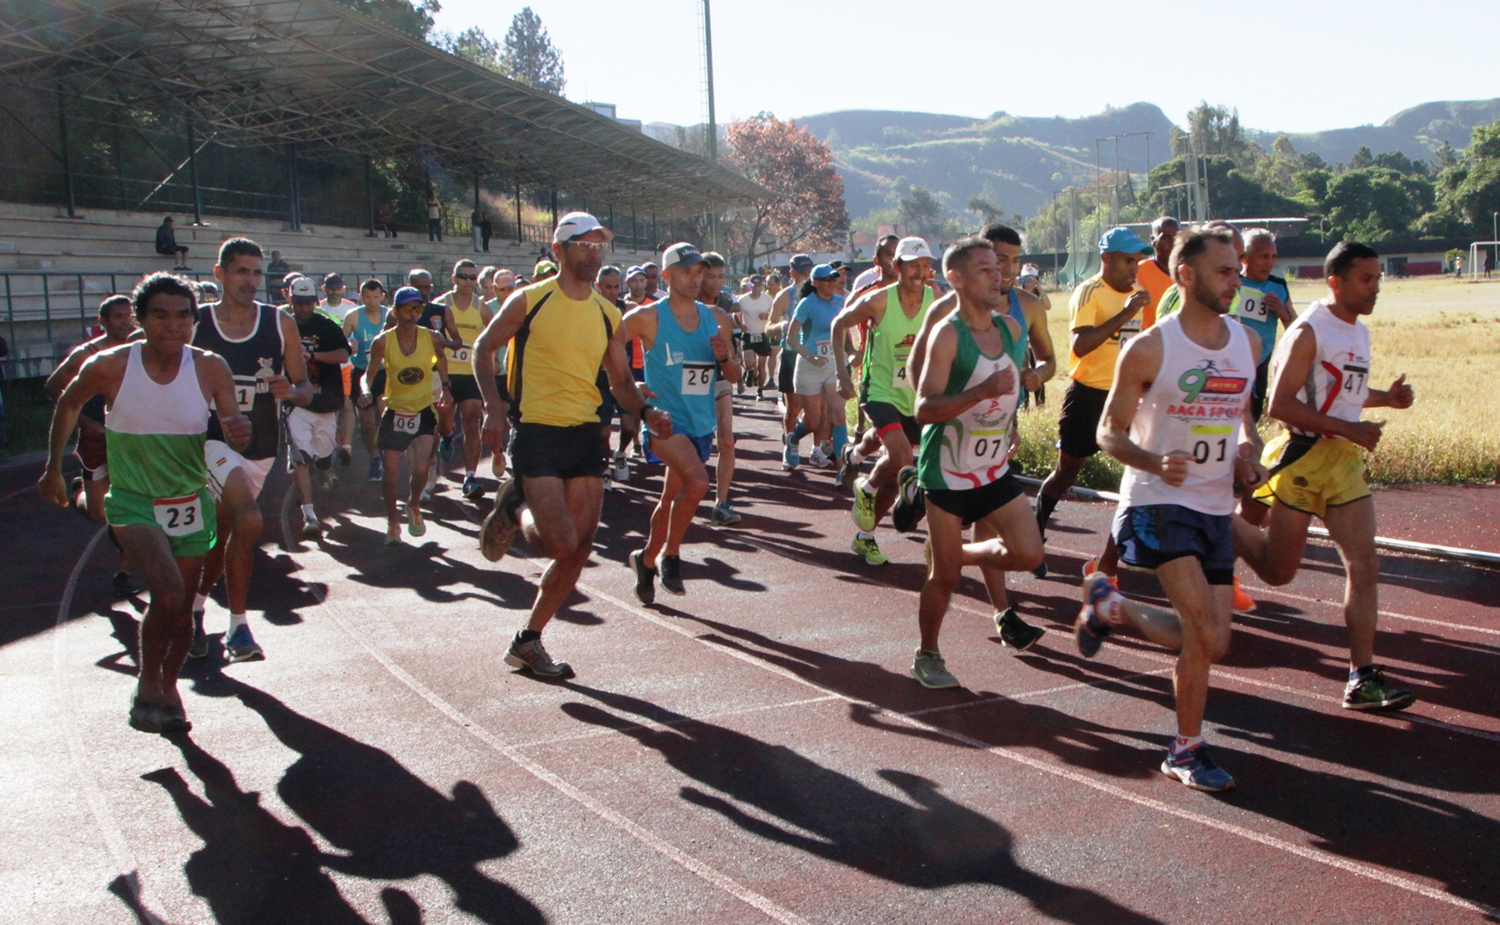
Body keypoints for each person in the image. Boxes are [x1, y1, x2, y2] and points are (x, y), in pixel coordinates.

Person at [1083, 226, 1265, 792]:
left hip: (1213, 507)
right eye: (1224, 271)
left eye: (1237, 270)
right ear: (1186, 275)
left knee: (1216, 641)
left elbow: (1244, 422)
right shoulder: (1152, 347)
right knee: (1202, 629)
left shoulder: (1246, 343)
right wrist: (1155, 461)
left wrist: (1247, 456)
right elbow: (1108, 432)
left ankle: (1114, 608)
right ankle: (1186, 751)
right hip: (1158, 501)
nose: (1235, 280)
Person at [39, 273, 250, 733]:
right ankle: (147, 679)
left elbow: (233, 416)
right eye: (160, 316)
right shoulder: (112, 364)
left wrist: (239, 430)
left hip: (190, 501)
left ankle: (168, 685)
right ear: (140, 320)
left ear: (194, 321)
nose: (172, 326)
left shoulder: (210, 366)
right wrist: (54, 467)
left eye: (182, 316)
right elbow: (69, 404)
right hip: (134, 501)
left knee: (183, 607)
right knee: (170, 593)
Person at [474, 212, 669, 678]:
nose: (593, 251)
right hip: (538, 430)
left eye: (599, 245)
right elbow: (483, 348)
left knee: (579, 548)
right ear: (559, 251)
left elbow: (621, 380)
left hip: (586, 432)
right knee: (559, 542)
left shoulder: (608, 313)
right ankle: (513, 506)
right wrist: (494, 409)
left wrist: (643, 411)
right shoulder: (529, 301)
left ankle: (528, 641)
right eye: (583, 244)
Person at [1233, 241, 1417, 713]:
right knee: (1278, 572)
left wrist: (1385, 400)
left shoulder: (1357, 332)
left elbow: (1339, 393)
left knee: (1365, 563)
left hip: (1341, 462)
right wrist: (1350, 427)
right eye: (1366, 279)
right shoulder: (1309, 330)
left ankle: (1361, 676)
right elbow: (1281, 404)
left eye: (1378, 278)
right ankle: (1216, 520)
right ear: (1336, 282)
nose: (1376, 288)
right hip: (1303, 456)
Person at [908, 238, 1044, 689]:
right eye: (985, 269)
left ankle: (958, 554)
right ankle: (928, 652)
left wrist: (1014, 412)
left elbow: (1015, 386)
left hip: (991, 469)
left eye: (998, 268)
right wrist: (982, 393)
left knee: (1029, 553)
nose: (997, 276)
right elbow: (924, 409)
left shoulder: (1009, 329)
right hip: (946, 470)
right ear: (958, 279)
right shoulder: (949, 334)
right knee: (943, 580)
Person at [190, 238, 312, 664]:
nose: (250, 280)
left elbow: (305, 386)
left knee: (224, 531)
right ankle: (239, 627)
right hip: (209, 440)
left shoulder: (279, 323)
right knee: (248, 519)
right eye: (241, 271)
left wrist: (289, 390)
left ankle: (195, 607)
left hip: (260, 445)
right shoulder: (197, 322)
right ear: (219, 273)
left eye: (257, 272)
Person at [1033, 227, 1153, 580]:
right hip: (1087, 396)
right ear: (1106, 258)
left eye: (1138, 260)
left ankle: (1112, 560)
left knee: (1140, 475)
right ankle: (1034, 529)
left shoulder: (1139, 293)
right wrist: (1123, 314)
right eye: (1128, 260)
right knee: (1066, 473)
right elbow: (1080, 346)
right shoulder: (1090, 292)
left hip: (1126, 396)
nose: (1135, 267)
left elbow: (1136, 345)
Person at [622, 242, 739, 599]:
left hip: (700, 421)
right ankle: (671, 555)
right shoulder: (646, 317)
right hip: (664, 423)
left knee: (671, 496)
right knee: (699, 481)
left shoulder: (716, 318)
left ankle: (645, 558)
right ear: (668, 275)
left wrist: (724, 357)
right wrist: (633, 384)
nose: (695, 278)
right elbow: (604, 351)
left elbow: (734, 375)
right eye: (686, 271)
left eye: (699, 271)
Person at [831, 236, 936, 566]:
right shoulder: (878, 301)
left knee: (892, 479)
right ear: (897, 266)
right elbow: (838, 324)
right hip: (879, 390)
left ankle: (865, 531)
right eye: (912, 265)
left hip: (914, 393)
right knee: (903, 455)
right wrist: (842, 373)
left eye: (924, 266)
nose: (919, 273)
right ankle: (874, 483)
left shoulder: (936, 299)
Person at [45, 294, 141, 596]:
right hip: (95, 439)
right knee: (98, 513)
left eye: (130, 316)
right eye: (118, 317)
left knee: (129, 507)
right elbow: (53, 386)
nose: (126, 322)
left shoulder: (142, 351)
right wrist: (84, 422)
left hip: (129, 440)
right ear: (103, 322)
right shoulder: (85, 355)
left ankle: (123, 571)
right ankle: (79, 492)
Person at [365, 286, 450, 544]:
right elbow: (367, 376)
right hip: (396, 411)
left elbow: (442, 359)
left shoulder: (432, 338)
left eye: (417, 309)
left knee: (422, 466)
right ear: (396, 311)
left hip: (423, 409)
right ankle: (392, 522)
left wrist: (446, 387)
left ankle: (413, 505)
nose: (413, 314)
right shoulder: (383, 341)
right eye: (407, 309)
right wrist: (365, 391)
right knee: (391, 475)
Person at [284, 278, 351, 537]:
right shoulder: (282, 325)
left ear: (315, 301)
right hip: (296, 402)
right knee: (300, 457)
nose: (303, 308)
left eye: (308, 303)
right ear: (290, 299)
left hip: (325, 400)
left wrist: (313, 356)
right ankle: (309, 515)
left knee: (322, 455)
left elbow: (343, 355)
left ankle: (324, 466)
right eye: (298, 302)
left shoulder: (326, 325)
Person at [436, 259, 496, 499]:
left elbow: (495, 335)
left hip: (471, 374)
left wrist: (493, 360)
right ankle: (447, 436)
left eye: (473, 277)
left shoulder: (482, 308)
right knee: (446, 420)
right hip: (445, 373)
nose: (468, 281)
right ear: (454, 279)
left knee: (472, 421)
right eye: (463, 276)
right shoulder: (441, 305)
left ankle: (470, 477)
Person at [786, 264, 849, 470]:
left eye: (833, 279)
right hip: (809, 367)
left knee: (838, 414)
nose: (831, 284)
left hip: (833, 365)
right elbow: (792, 338)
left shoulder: (839, 302)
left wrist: (853, 351)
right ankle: (793, 439)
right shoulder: (807, 304)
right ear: (815, 283)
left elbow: (844, 332)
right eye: (826, 280)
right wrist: (811, 357)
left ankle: (842, 468)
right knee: (812, 422)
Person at [697, 252, 745, 526]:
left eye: (720, 277)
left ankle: (722, 503)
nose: (715, 283)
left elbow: (734, 366)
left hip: (718, 381)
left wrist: (727, 358)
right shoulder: (682, 306)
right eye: (709, 276)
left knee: (726, 440)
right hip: (688, 385)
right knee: (693, 448)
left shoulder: (725, 309)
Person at [1238, 229, 1296, 421]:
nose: (1270, 263)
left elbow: (1296, 329)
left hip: (1261, 360)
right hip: (1231, 359)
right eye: (1264, 257)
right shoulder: (1233, 282)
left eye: (1273, 257)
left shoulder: (1278, 286)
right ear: (1244, 258)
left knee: (1253, 416)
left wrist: (1282, 311)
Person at [767, 255, 815, 458]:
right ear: (792, 273)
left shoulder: (820, 295)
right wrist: (781, 326)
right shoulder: (785, 296)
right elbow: (768, 327)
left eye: (809, 272)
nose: (806, 276)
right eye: (802, 272)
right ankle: (790, 447)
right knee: (794, 407)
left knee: (816, 410)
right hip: (791, 355)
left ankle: (817, 447)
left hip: (814, 356)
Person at [343, 278, 388, 480]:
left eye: (376, 297)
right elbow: (341, 342)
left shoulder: (390, 315)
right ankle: (374, 457)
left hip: (385, 372)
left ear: (382, 297)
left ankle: (390, 456)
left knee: (386, 415)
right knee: (368, 424)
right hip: (361, 372)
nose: (372, 302)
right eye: (367, 298)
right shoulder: (353, 317)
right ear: (361, 297)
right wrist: (348, 346)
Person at [1135, 216, 1180, 331]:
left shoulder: (1189, 272)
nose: (1172, 243)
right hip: (1151, 344)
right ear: (1153, 240)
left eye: (1177, 237)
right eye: (1166, 238)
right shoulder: (1139, 271)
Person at [736, 274, 775, 400]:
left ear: (762, 286)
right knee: (750, 362)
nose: (757, 289)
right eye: (754, 286)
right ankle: (749, 371)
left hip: (762, 334)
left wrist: (767, 316)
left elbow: (775, 315)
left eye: (759, 286)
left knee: (761, 366)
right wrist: (740, 325)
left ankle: (760, 391)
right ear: (750, 286)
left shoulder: (768, 299)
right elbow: (736, 314)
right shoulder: (742, 299)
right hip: (748, 334)